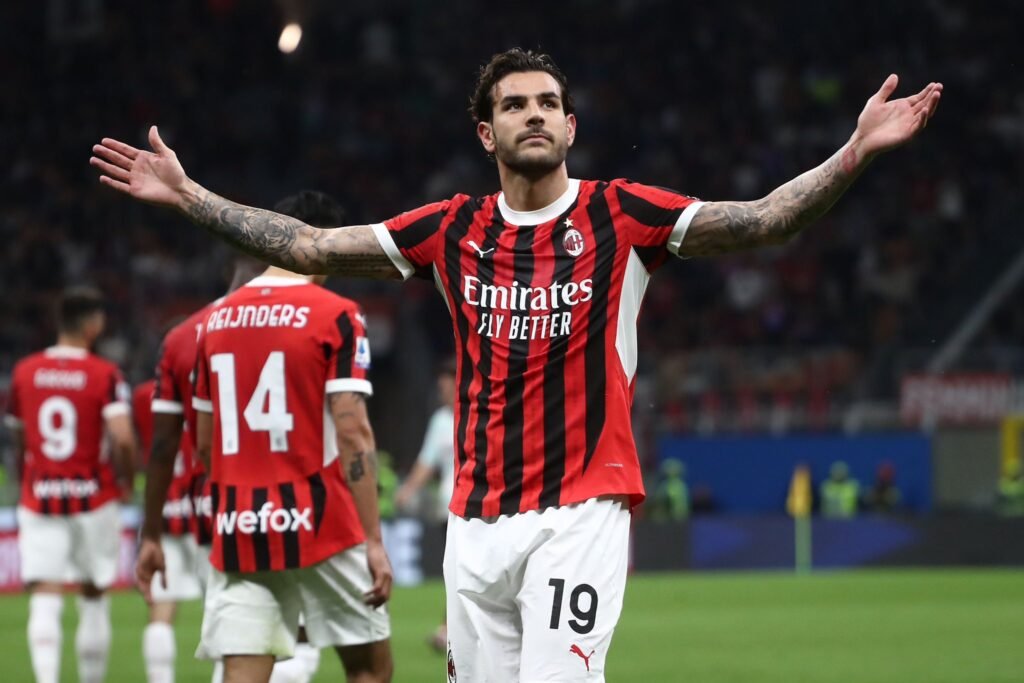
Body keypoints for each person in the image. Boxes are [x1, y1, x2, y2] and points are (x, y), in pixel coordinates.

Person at [91, 48, 942, 681]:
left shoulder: (622, 214)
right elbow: (312, 243)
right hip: (474, 520)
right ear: (486, 130)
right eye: (514, 104)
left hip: (581, 506)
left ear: (570, 126)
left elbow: (761, 220)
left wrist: (854, 152)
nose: (533, 114)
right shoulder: (450, 229)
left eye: (548, 103)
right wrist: (192, 196)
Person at [135, 192, 349, 683]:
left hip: (216, 504)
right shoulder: (310, 318)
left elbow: (166, 445)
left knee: (237, 638)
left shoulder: (186, 333)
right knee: (295, 635)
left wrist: (149, 530)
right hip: (296, 501)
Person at [190, 257, 393, 682]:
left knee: (244, 668)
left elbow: (204, 442)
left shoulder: (214, 319)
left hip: (239, 523)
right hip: (324, 520)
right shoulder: (336, 312)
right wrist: (373, 539)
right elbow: (352, 430)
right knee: (368, 669)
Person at [4, 286, 135, 683]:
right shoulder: (105, 374)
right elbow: (123, 437)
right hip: (93, 498)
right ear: (92, 325)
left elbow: (17, 432)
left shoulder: (24, 372)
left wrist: (24, 471)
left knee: (45, 591)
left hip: (40, 495)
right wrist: (127, 477)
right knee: (93, 592)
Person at [394, 358, 456, 652]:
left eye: (446, 384)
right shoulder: (442, 420)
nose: (442, 390)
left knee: (466, 572)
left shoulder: (482, 413)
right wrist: (407, 490)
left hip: (482, 510)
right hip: (450, 510)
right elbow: (426, 462)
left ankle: (452, 629)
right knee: (455, 572)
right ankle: (451, 629)